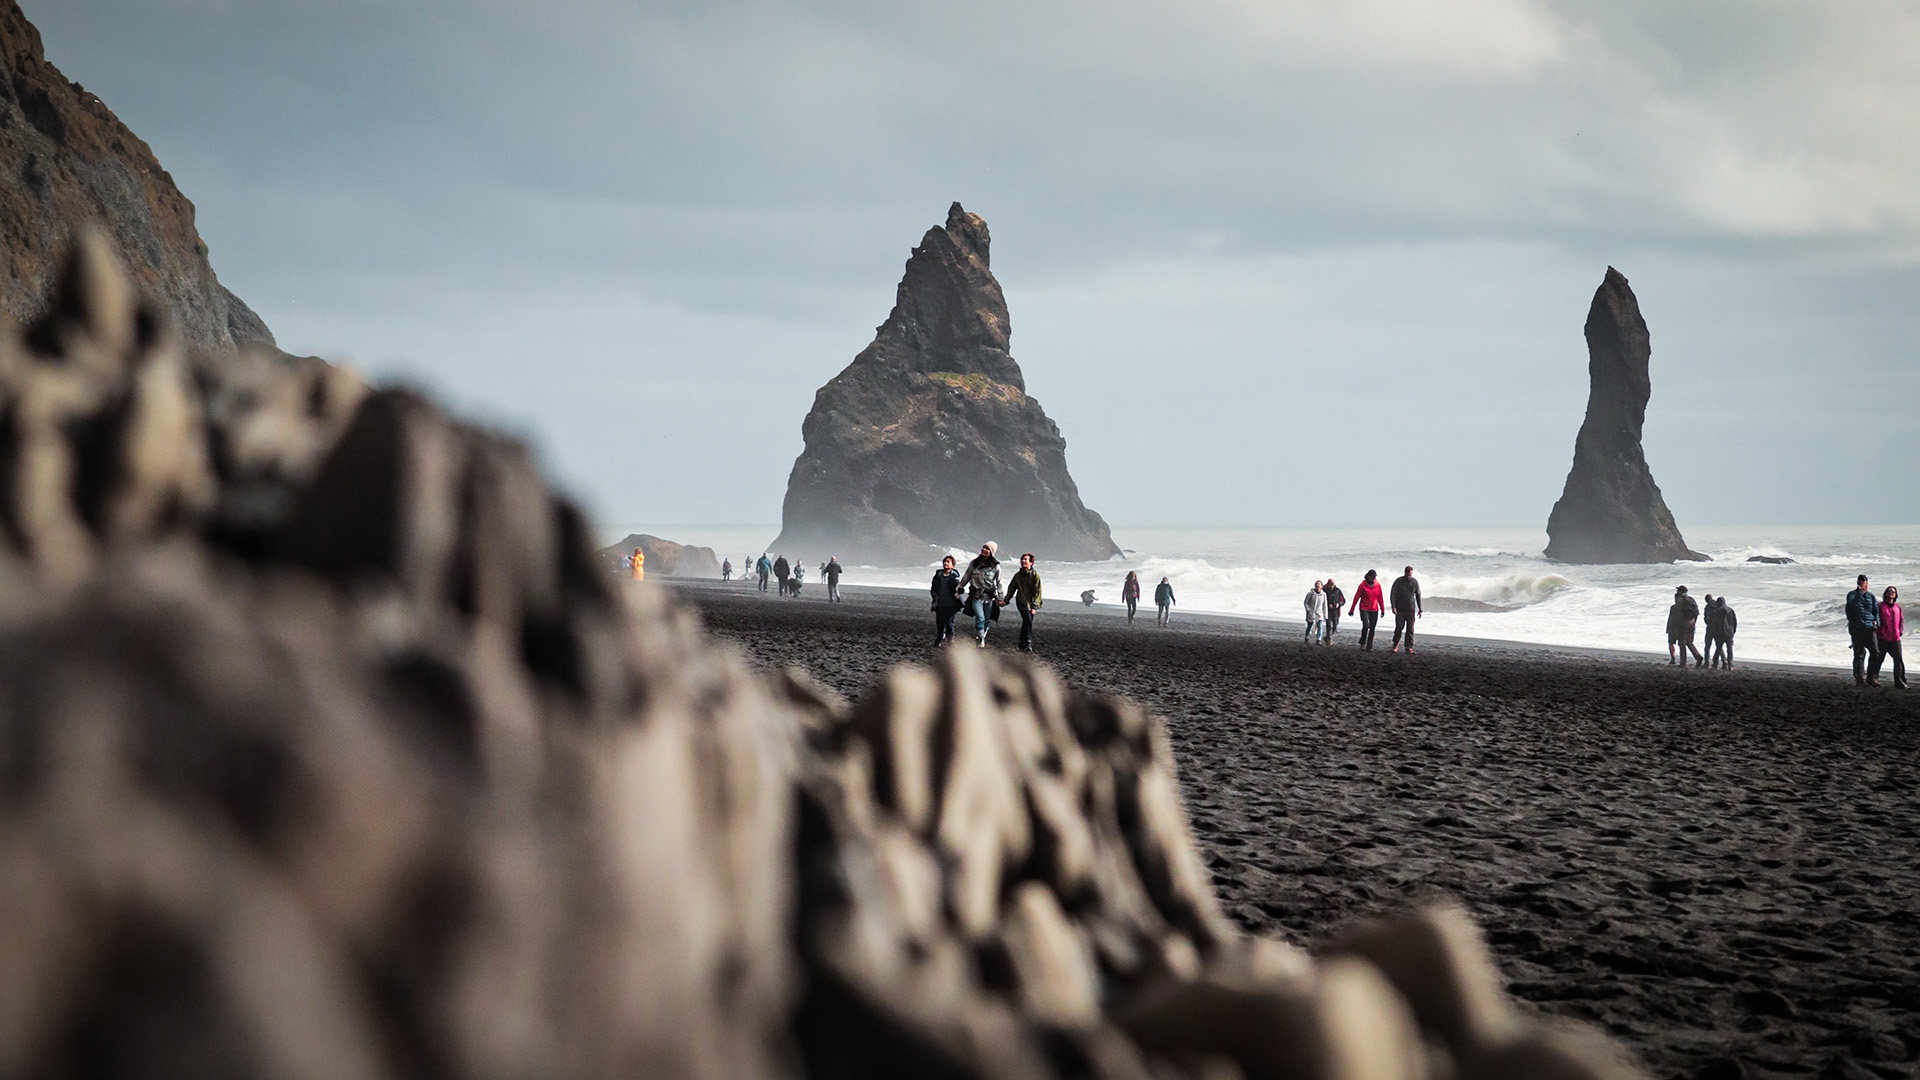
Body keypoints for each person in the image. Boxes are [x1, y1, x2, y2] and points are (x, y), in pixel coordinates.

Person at [962, 543, 1003, 647]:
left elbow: (999, 582)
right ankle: (981, 638)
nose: (984, 550)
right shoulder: (974, 563)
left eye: (987, 549)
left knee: (987, 620)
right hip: (976, 595)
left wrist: (1001, 597)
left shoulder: (996, 566)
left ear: (991, 552)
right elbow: (967, 576)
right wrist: (959, 587)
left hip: (989, 597)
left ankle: (981, 635)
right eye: (984, 547)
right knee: (980, 617)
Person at [1002, 553, 1044, 653]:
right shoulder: (1017, 576)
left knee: (1027, 622)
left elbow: (1038, 592)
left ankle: (1021, 643)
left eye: (1025, 559)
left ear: (1031, 562)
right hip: (1021, 602)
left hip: (1032, 603)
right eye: (1022, 559)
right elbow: (1011, 588)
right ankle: (1028, 643)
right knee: (1028, 620)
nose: (1023, 561)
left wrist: (1035, 606)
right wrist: (1006, 600)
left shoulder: (1035, 576)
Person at [1846, 574, 1881, 686]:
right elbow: (1852, 606)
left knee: (1875, 652)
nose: (1862, 583)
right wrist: (1859, 594)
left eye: (1864, 581)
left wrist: (1877, 622)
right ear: (1858, 582)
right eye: (1860, 581)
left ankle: (1871, 677)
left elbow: (1875, 611)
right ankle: (1859, 678)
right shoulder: (1852, 595)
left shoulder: (1871, 596)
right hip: (1857, 628)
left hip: (1870, 628)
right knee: (1859, 653)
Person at [1868, 586, 1906, 689]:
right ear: (1885, 593)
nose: (1891, 593)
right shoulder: (1880, 606)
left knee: (1898, 660)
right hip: (1882, 638)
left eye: (1893, 591)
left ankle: (1899, 682)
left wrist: (1900, 631)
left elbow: (1901, 620)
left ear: (1895, 594)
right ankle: (1873, 679)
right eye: (1889, 591)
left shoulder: (1897, 607)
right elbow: (1874, 618)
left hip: (1895, 639)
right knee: (1879, 659)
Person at [930, 555, 963, 645]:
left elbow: (959, 588)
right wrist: (935, 596)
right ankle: (940, 637)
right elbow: (933, 588)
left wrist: (959, 592)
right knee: (939, 622)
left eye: (948, 562)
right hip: (940, 603)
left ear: (952, 565)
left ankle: (950, 640)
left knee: (949, 622)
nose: (946, 563)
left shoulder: (954, 577)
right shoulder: (938, 576)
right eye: (945, 561)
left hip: (951, 603)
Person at [1666, 586, 1703, 667]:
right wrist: (1693, 624)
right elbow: (1696, 613)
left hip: (1683, 624)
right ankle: (1698, 656)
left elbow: (1677, 615)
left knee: (1682, 643)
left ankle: (1683, 663)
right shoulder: (1691, 600)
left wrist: (1672, 628)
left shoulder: (1679, 599)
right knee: (1689, 642)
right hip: (1692, 622)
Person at [1350, 569, 1384, 651]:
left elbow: (1380, 598)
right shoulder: (1362, 585)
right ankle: (1362, 642)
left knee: (1372, 628)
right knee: (1366, 625)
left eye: (1375, 577)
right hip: (1364, 608)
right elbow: (1357, 597)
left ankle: (1369, 646)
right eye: (1372, 577)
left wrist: (1382, 609)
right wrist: (1352, 609)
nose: (1374, 579)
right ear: (1368, 576)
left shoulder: (1378, 585)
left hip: (1374, 609)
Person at [1389, 566, 1422, 653]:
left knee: (1410, 629)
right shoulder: (1399, 581)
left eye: (1410, 574)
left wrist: (1420, 609)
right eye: (1408, 574)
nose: (1409, 576)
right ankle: (1395, 644)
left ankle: (1408, 647)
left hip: (1410, 610)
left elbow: (1418, 595)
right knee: (1399, 627)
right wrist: (1393, 607)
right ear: (1405, 573)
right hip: (1400, 609)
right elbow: (1393, 594)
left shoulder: (1414, 582)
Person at [1705, 596, 1738, 669]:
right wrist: (1733, 631)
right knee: (1729, 649)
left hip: (1720, 633)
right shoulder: (1730, 610)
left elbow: (1715, 623)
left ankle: (1715, 664)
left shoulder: (1717, 611)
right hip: (1729, 632)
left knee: (1718, 649)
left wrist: (1716, 632)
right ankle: (1730, 665)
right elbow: (1734, 622)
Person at [1322, 578, 1345, 644]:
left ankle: (1328, 637)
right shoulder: (1324, 590)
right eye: (1330, 584)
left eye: (1332, 584)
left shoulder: (1337, 590)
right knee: (1328, 624)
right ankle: (1329, 640)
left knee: (1335, 625)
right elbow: (1321, 600)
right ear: (1328, 584)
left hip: (1336, 611)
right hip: (1327, 610)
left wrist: (1339, 604)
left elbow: (1343, 600)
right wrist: (1327, 605)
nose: (1331, 586)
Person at [1303, 581, 1326, 645]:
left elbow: (1324, 605)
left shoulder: (1323, 594)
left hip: (1319, 613)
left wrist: (1325, 615)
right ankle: (1306, 637)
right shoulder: (1310, 593)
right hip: (1311, 612)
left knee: (1320, 626)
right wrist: (1308, 610)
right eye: (1316, 585)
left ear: (1321, 586)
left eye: (1319, 585)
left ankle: (1318, 640)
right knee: (1309, 626)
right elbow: (1306, 602)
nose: (1318, 587)